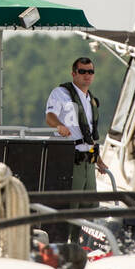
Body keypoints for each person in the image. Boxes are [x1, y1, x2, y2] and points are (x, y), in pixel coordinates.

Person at [45, 57, 107, 191]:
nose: (87, 75)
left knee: (90, 205)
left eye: (90, 72)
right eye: (82, 71)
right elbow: (50, 116)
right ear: (74, 74)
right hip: (70, 161)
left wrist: (98, 159)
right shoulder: (60, 93)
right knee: (71, 204)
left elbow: (88, 134)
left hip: (89, 162)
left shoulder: (91, 100)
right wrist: (59, 126)